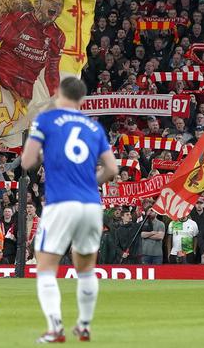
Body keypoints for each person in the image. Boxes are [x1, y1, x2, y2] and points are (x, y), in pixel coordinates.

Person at [20, 77, 118, 343]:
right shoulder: (94, 127)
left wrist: (43, 155)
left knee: (45, 266)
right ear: (82, 99)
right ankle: (84, 325)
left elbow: (27, 161)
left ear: (57, 93)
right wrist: (90, 182)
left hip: (61, 202)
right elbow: (112, 168)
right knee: (86, 268)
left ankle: (55, 328)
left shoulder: (46, 120)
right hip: (91, 204)